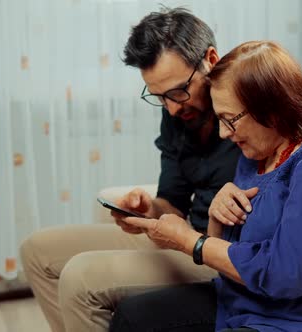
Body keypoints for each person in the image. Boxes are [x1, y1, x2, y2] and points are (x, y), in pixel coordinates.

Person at [109, 41, 302, 332]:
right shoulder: (258, 153)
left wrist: (190, 241)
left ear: (272, 109)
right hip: (249, 304)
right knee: (131, 317)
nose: (224, 133)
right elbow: (228, 257)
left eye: (229, 120)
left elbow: (288, 274)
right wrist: (216, 215)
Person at [20, 8, 238, 332]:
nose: (173, 108)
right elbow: (172, 203)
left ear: (212, 59)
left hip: (219, 254)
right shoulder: (177, 114)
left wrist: (196, 239)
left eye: (179, 91)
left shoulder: (248, 111)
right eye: (160, 97)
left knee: (82, 276)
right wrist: (148, 209)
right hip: (182, 235)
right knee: (37, 251)